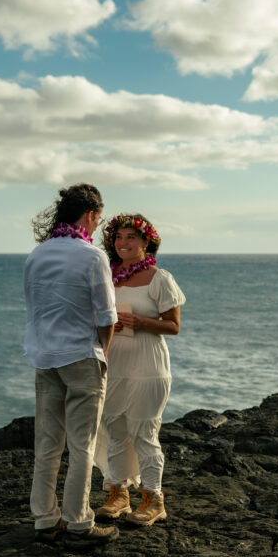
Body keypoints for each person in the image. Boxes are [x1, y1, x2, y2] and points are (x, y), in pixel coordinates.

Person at [23, 183, 119, 548]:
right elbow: (107, 316)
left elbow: (34, 308)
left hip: (44, 358)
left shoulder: (37, 254)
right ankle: (78, 523)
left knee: (47, 444)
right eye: (98, 218)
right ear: (91, 215)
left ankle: (45, 521)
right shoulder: (92, 256)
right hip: (81, 356)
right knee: (82, 445)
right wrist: (103, 351)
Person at [92, 213, 185, 526]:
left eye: (131, 237)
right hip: (114, 360)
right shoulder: (109, 276)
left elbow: (173, 326)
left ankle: (153, 499)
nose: (123, 243)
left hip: (149, 363)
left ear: (147, 241)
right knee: (115, 428)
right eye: (118, 238)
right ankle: (118, 495)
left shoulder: (161, 278)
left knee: (145, 432)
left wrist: (141, 322)